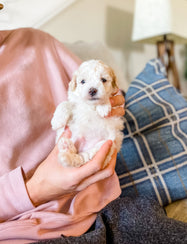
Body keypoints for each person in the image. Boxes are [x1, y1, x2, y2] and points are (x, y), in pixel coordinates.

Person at [0, 28, 187, 244]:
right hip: (18, 233)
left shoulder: (38, 43)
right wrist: (36, 188)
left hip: (103, 205)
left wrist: (114, 105)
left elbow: (108, 94)